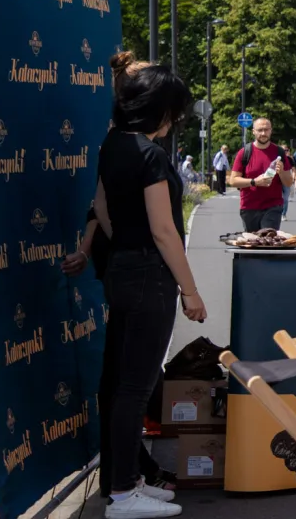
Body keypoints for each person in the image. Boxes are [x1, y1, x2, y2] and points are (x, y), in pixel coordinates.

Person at [93, 53, 206, 517]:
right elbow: (165, 231)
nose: (174, 122)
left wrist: (127, 244)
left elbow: (101, 209)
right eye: (173, 113)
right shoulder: (150, 154)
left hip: (120, 269)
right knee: (135, 388)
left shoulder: (112, 146)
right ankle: (123, 493)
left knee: (119, 381)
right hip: (149, 277)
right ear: (159, 110)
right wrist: (190, 291)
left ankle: (125, 482)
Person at [227, 117, 294, 232]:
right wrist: (254, 182)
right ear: (253, 131)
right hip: (249, 207)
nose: (263, 133)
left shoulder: (279, 152)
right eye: (260, 130)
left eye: (266, 130)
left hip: (273, 206)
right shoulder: (245, 152)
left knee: (268, 240)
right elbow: (233, 181)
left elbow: (288, 182)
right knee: (253, 244)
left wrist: (282, 171)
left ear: (271, 131)